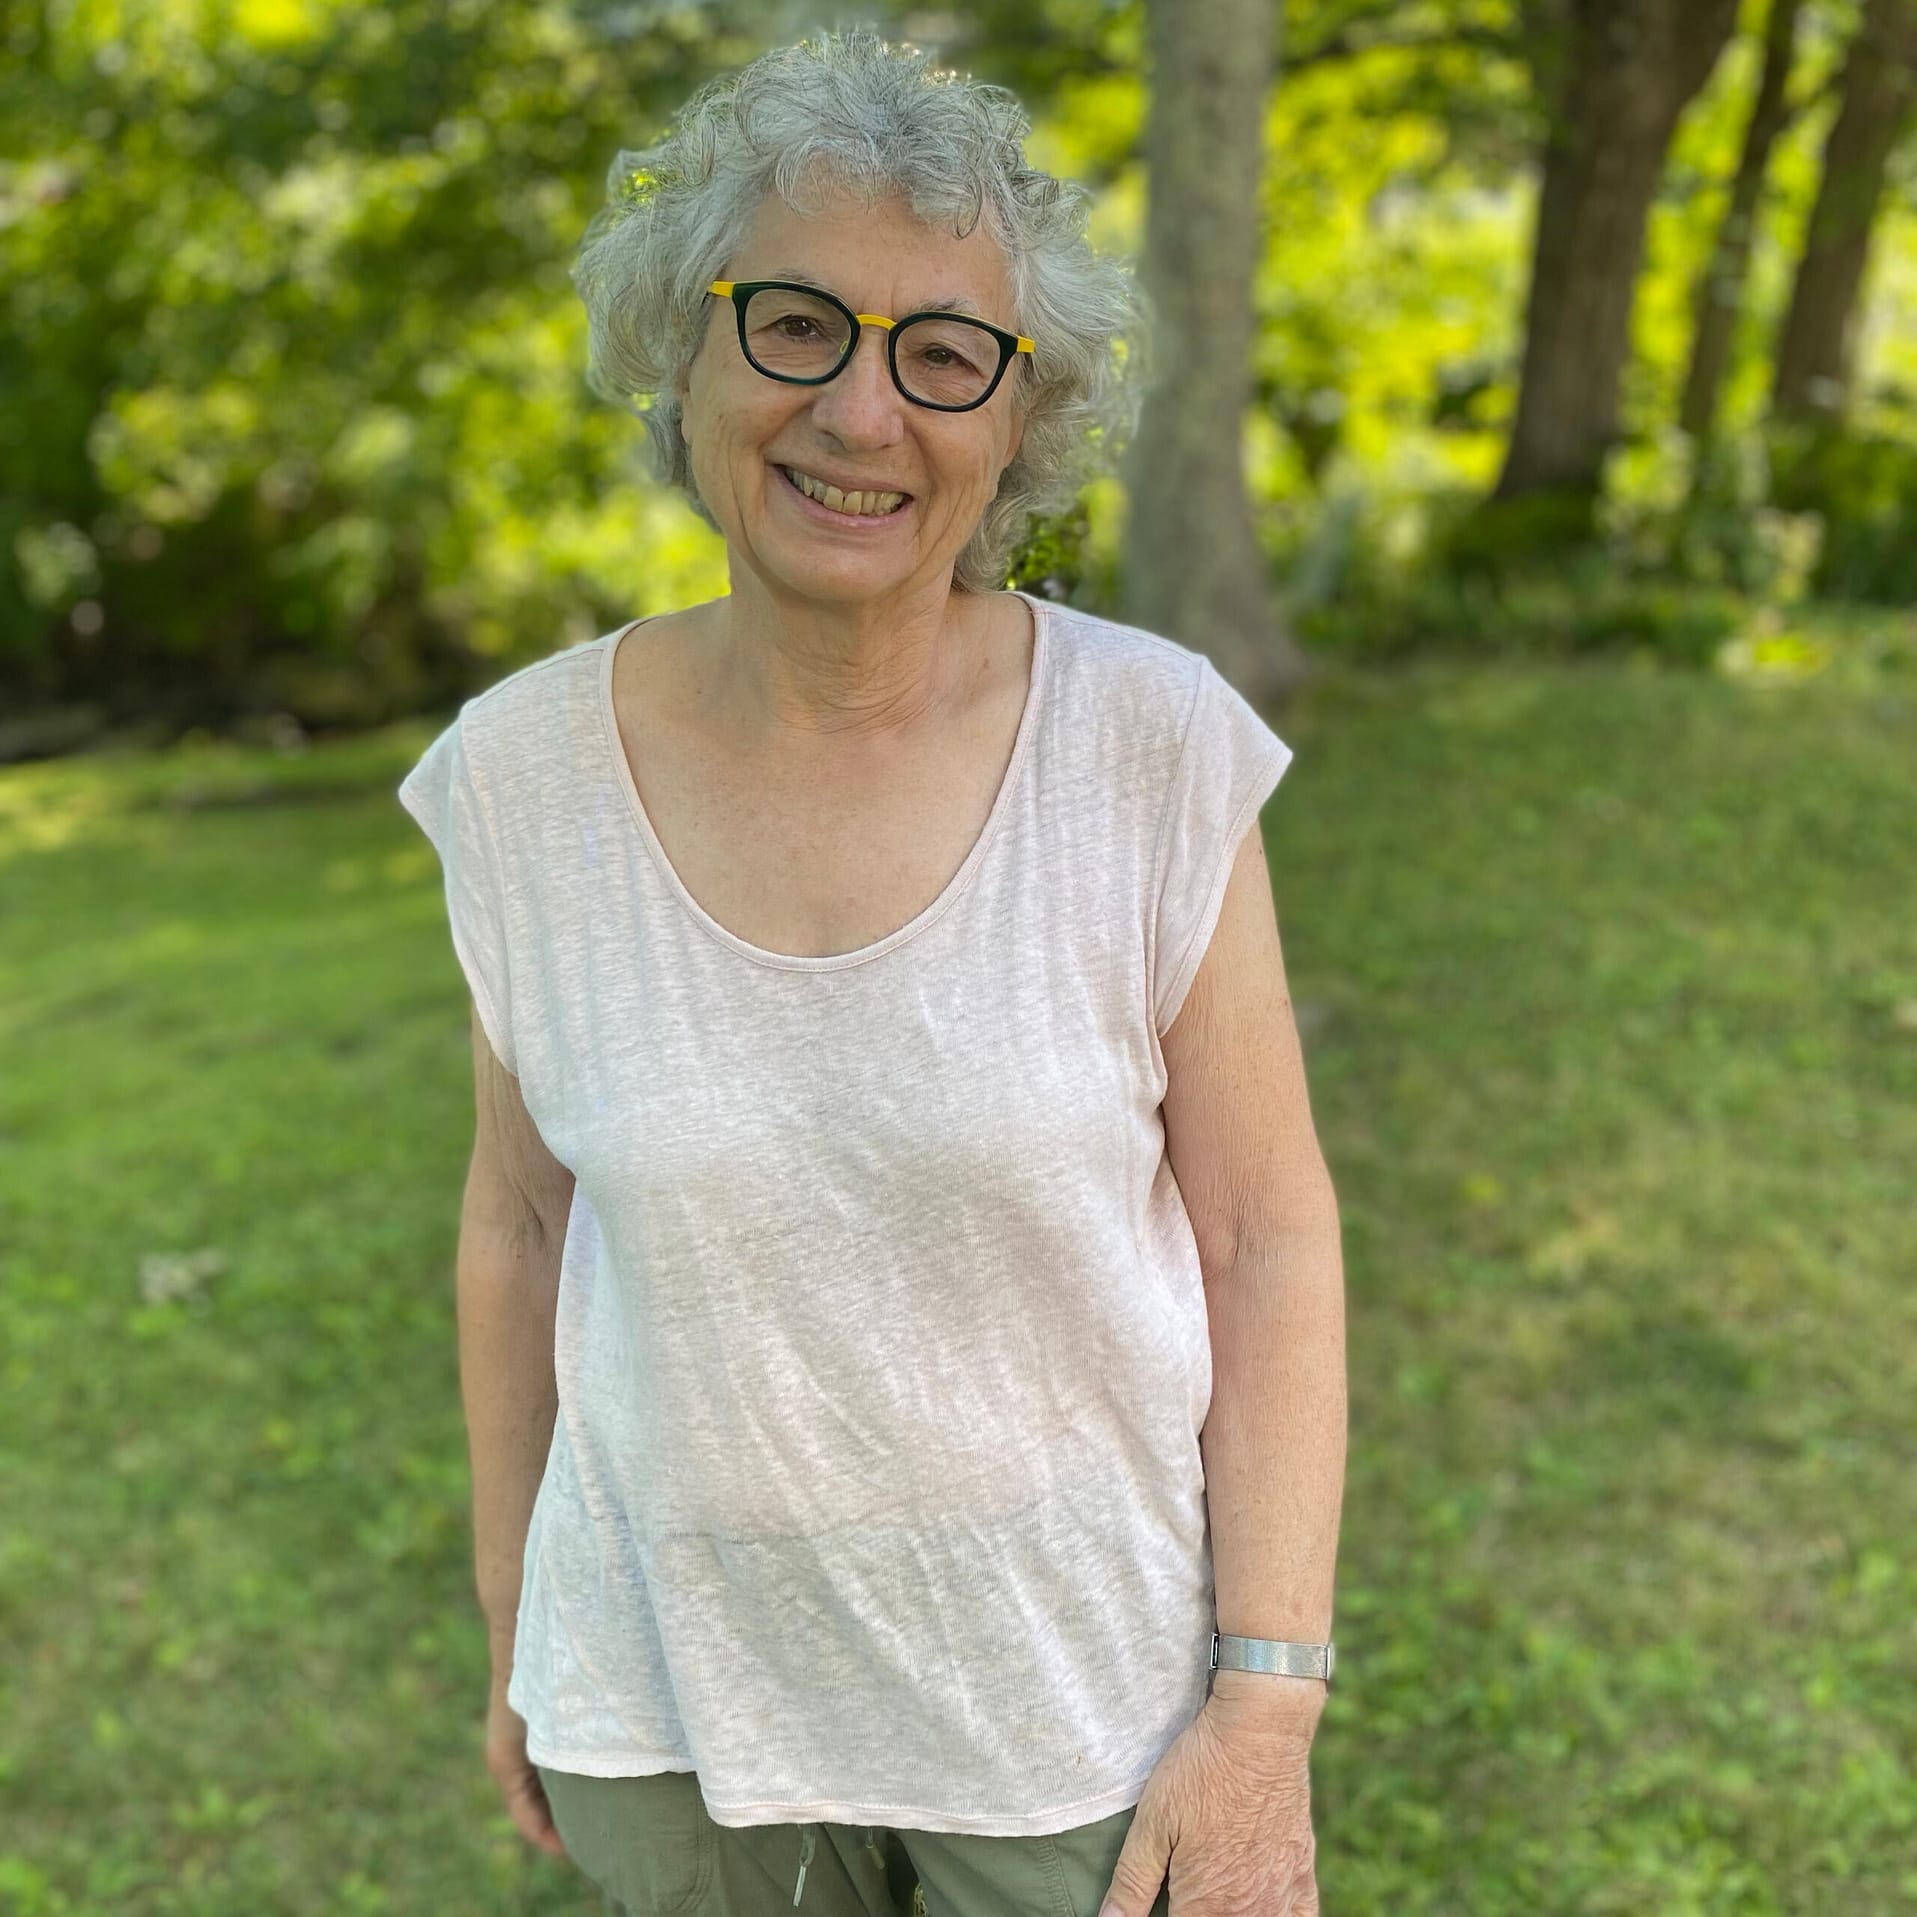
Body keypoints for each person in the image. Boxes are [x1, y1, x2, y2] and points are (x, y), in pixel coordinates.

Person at [397, 25, 1346, 1917]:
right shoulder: (517, 780)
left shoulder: (1147, 752)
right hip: (670, 1712)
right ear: (689, 352)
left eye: (942, 354)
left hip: (1066, 1711)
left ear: (1016, 416)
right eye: (796, 325)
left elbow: (1264, 1236)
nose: (861, 413)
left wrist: (1264, 1711)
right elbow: (517, 1224)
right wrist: (522, 1611)